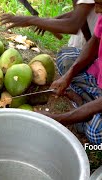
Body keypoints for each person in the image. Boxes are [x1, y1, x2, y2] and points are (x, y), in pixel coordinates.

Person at [36, 0, 102, 145]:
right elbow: (94, 43)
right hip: (98, 76)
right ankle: (87, 107)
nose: (96, 11)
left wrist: (58, 119)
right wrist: (68, 75)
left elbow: (75, 22)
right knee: (65, 58)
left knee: (95, 133)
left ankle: (86, 110)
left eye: (99, 5)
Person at [0, 0, 98, 49]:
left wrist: (30, 20)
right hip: (88, 43)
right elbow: (81, 12)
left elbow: (74, 24)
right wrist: (50, 21)